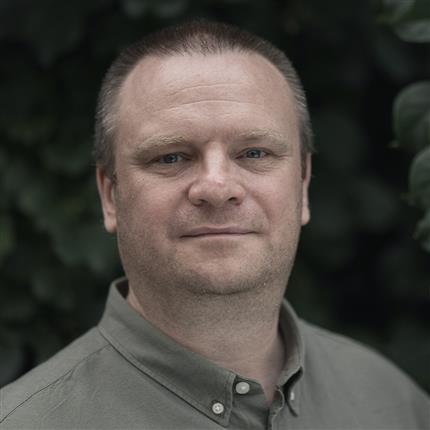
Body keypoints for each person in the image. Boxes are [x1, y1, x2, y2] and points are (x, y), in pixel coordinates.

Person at [0, 20, 428, 430]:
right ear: (110, 195)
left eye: (254, 153)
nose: (218, 187)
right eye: (171, 157)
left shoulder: (392, 404)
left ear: (302, 185)